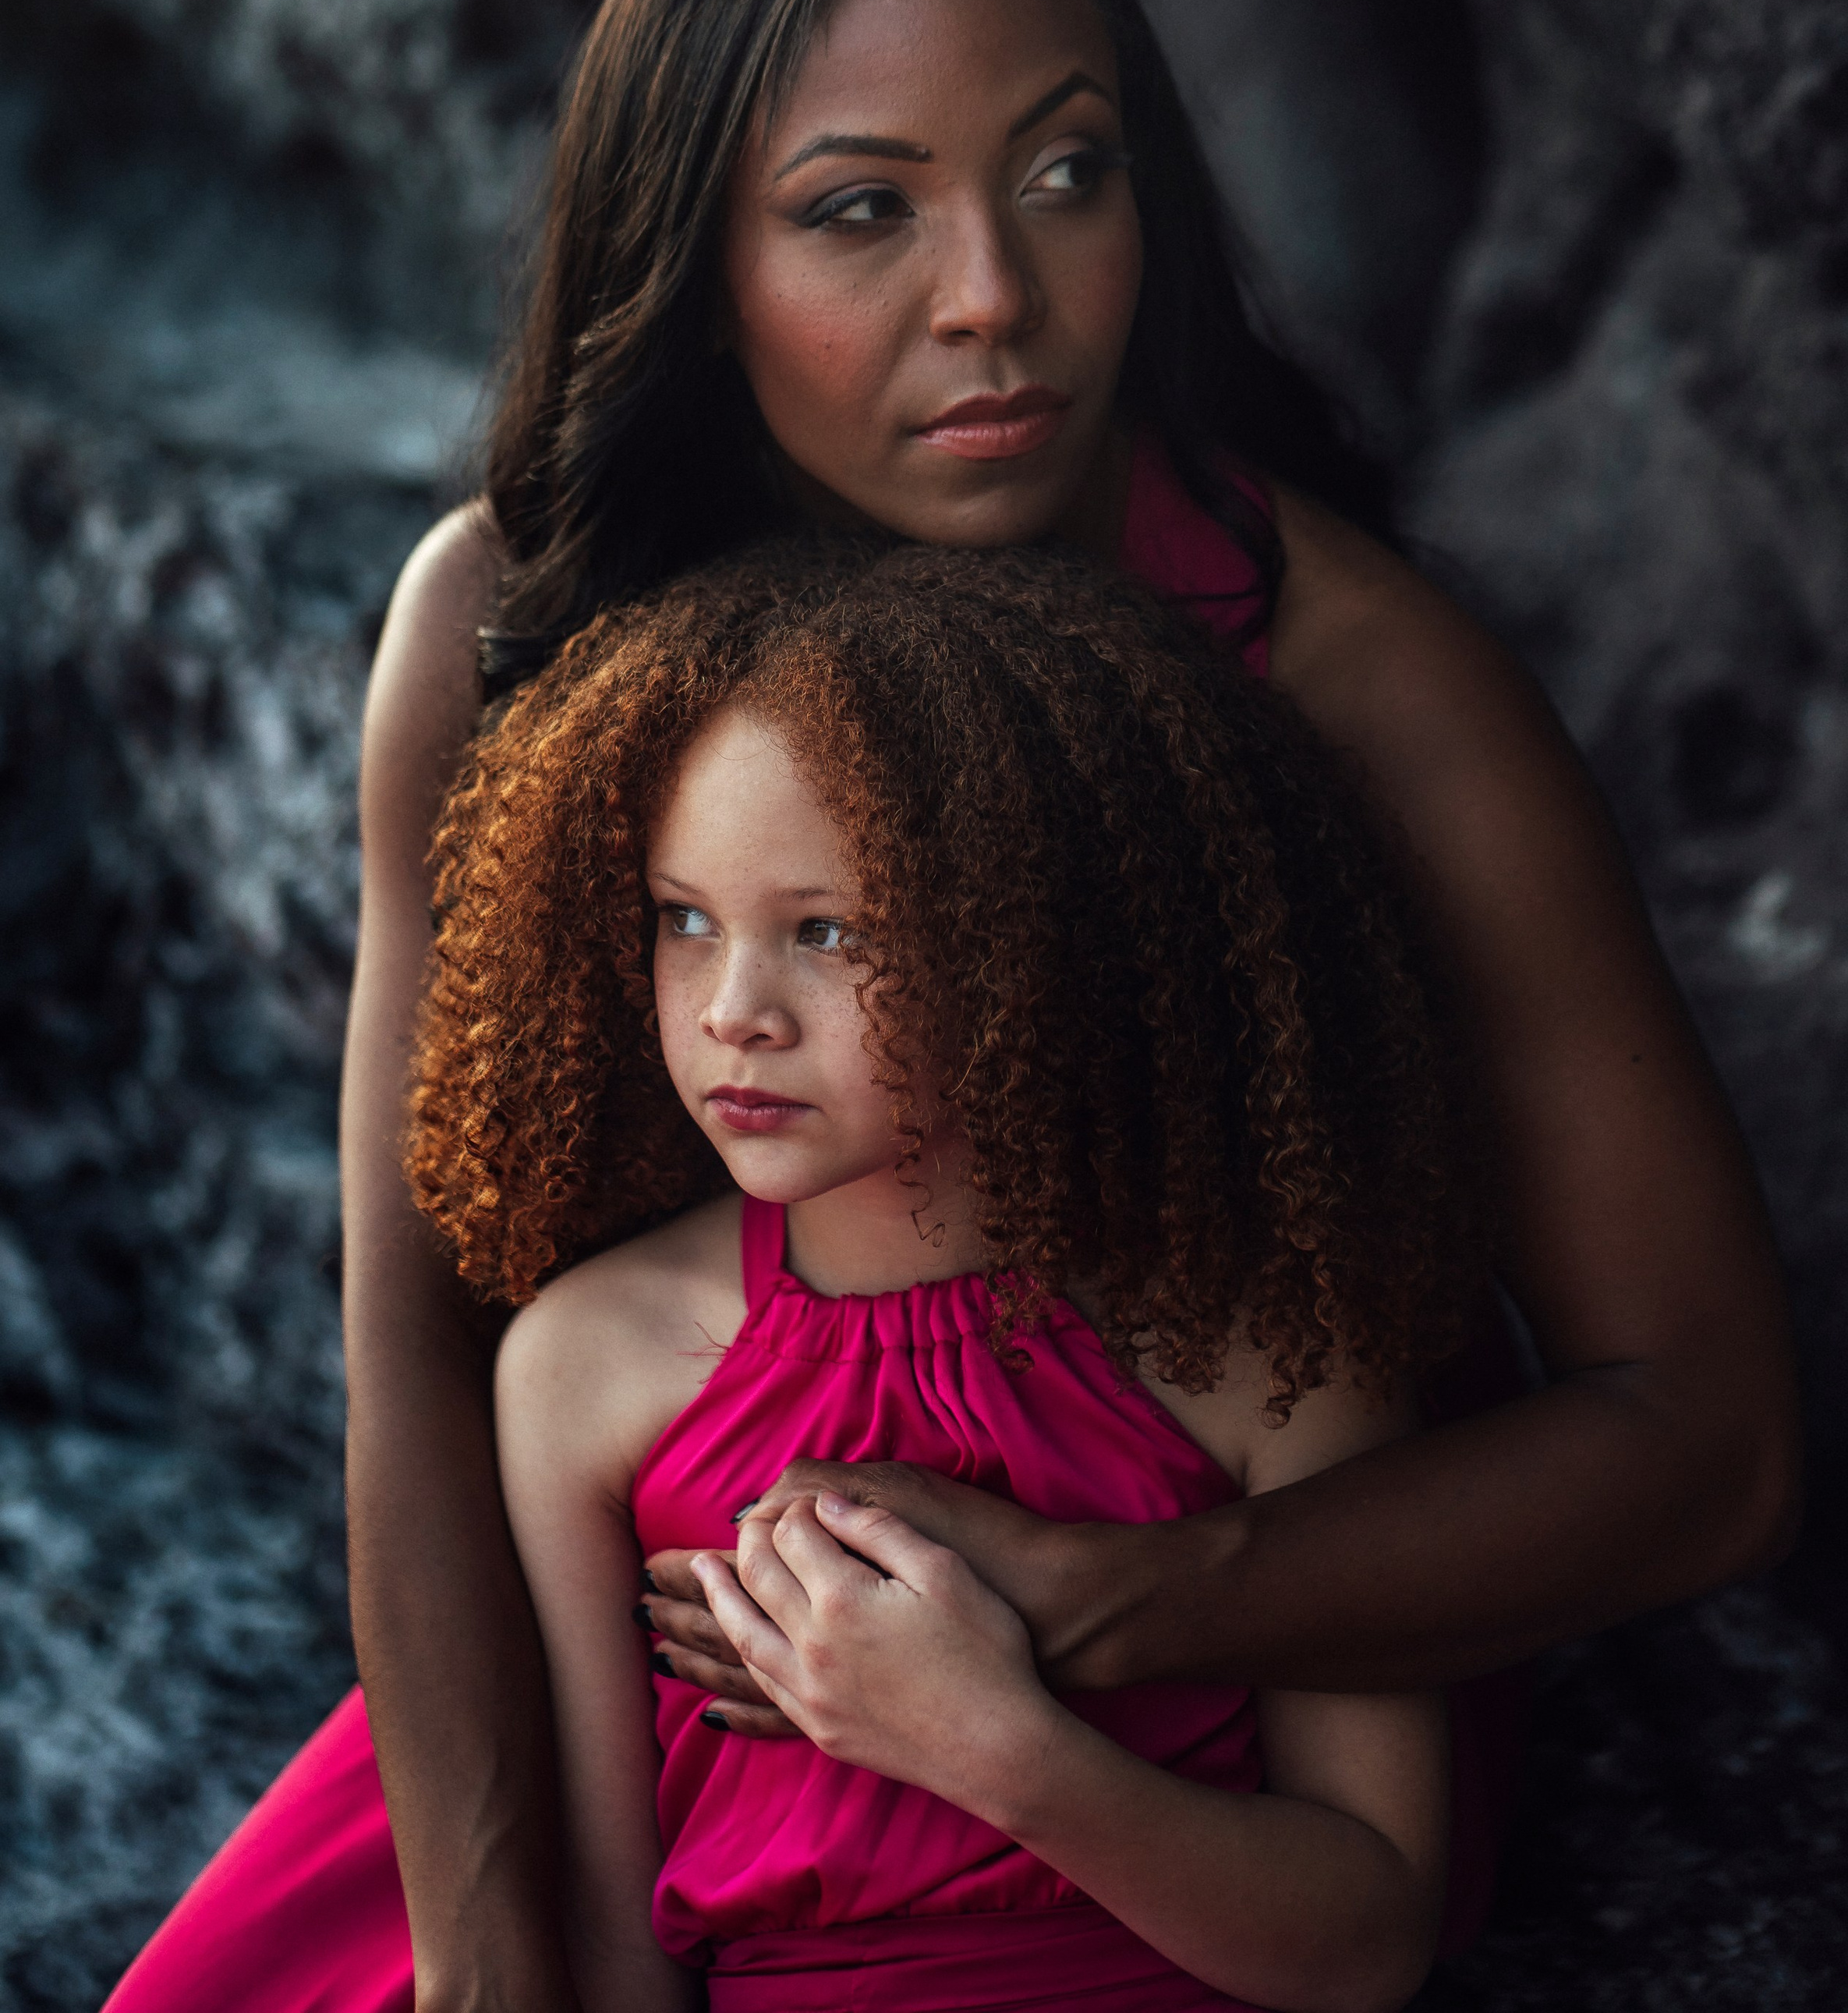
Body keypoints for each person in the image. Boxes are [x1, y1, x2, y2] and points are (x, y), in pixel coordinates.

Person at [104, 0, 1799, 2013]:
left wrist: (1129, 1600)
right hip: (679, 1668)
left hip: (1244, 1655)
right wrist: (491, 1940)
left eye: (1068, 172)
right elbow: (422, 1337)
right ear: (697, 260)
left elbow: (1715, 1439)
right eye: (860, 211)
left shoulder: (1353, 672)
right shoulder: (513, 622)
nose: (995, 290)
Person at [410, 534, 1485, 2013]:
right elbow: (617, 1947)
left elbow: (1367, 1944)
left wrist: (985, 1739)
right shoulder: (589, 1368)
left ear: (1032, 948)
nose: (734, 1012)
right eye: (684, 920)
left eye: (829, 931)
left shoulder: (1262, 1339)